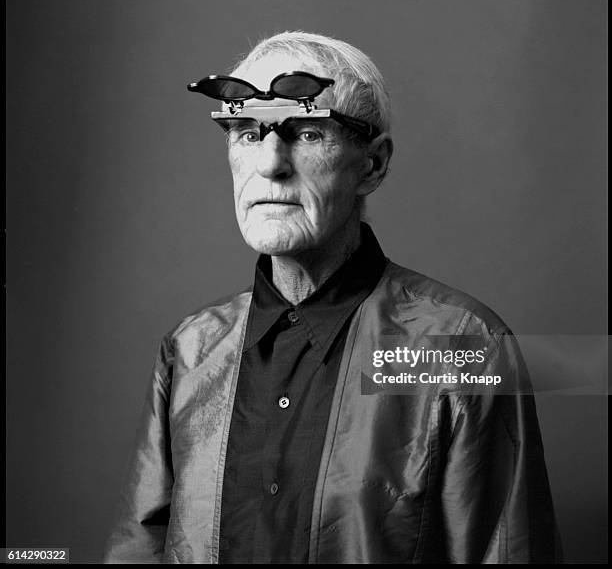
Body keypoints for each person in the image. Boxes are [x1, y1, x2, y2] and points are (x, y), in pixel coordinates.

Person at [103, 31, 562, 564]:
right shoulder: (189, 350)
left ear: (372, 165)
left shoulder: (463, 348)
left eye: (305, 132)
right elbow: (140, 550)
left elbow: (507, 551)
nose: (270, 163)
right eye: (247, 132)